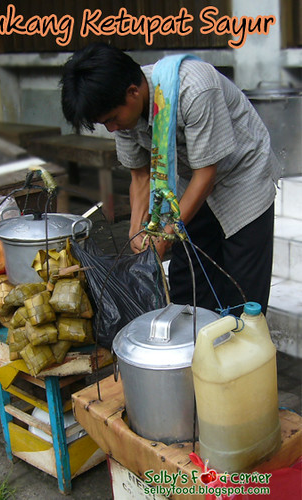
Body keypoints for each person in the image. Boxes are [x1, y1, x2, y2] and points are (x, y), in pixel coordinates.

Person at [61, 43, 281, 315]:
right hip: (192, 178)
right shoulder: (119, 105)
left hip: (242, 177)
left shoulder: (195, 89)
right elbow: (140, 175)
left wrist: (166, 234)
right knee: (187, 283)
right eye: (105, 123)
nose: (112, 128)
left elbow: (207, 173)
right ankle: (193, 349)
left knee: (242, 291)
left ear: (133, 92)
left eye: (113, 119)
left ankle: (240, 350)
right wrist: (138, 232)